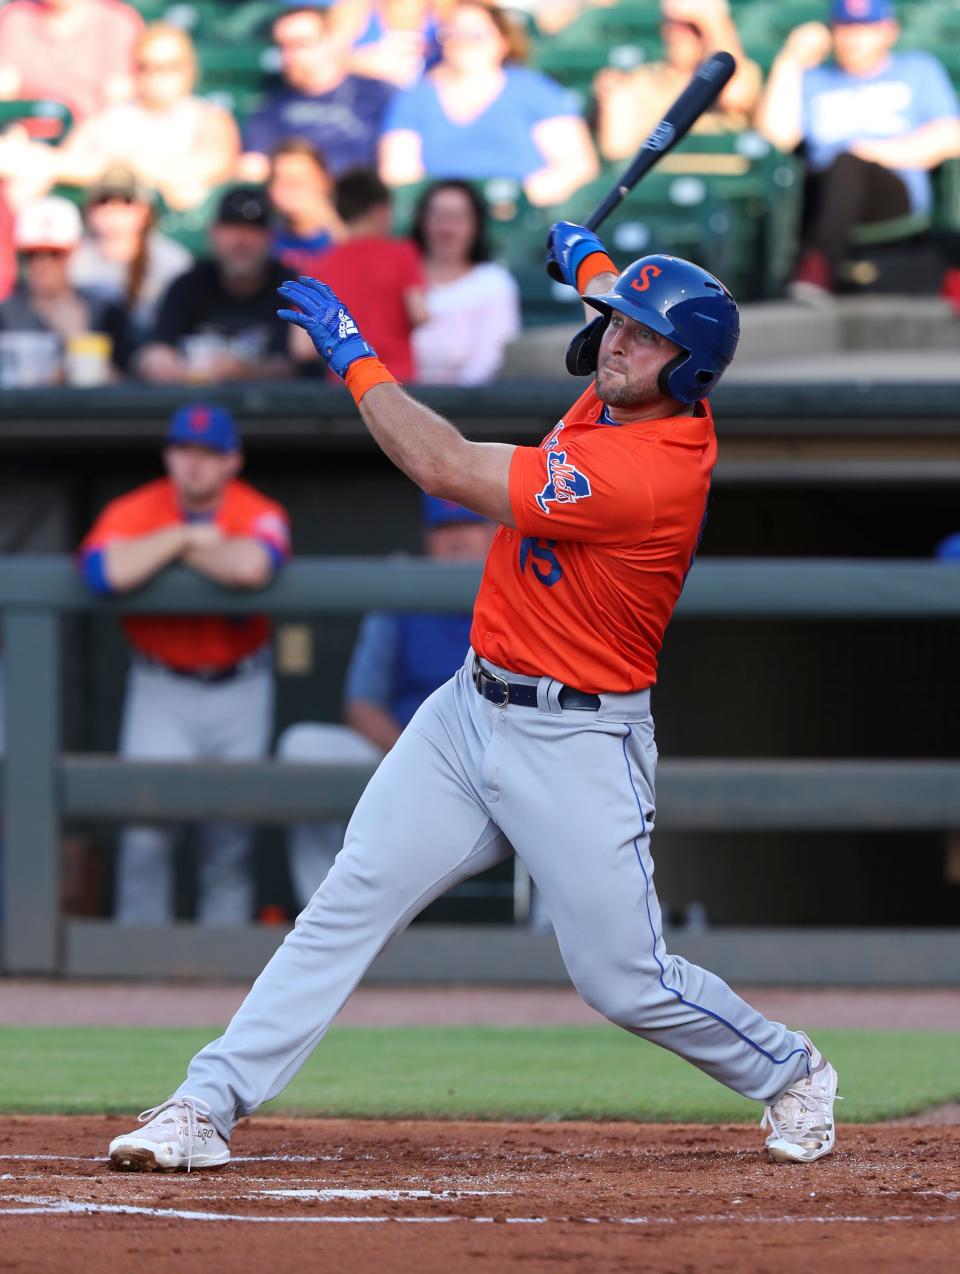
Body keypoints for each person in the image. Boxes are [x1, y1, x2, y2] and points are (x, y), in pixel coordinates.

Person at [106, 223, 839, 1172]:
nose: (618, 343)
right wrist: (588, 264)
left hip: (577, 741)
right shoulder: (625, 389)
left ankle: (792, 1070)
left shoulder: (645, 474)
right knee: (345, 903)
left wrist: (357, 361)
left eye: (646, 337)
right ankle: (204, 1105)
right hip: (467, 709)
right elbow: (615, 298)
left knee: (622, 981)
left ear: (690, 370)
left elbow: (444, 467)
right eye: (616, 326)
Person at [77, 403, 291, 926]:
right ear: (168, 455)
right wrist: (186, 537)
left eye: (208, 453)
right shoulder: (137, 509)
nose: (194, 464)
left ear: (231, 460)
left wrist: (165, 552)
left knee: (229, 841)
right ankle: (137, 971)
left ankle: (222, 978)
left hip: (240, 686)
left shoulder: (256, 509)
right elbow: (102, 573)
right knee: (145, 833)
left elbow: (251, 566)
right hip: (161, 686)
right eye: (184, 450)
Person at [278, 494, 495, 907]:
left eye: (466, 526)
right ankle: (329, 916)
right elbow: (361, 706)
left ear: (492, 533)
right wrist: (418, 760)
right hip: (405, 756)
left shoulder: (518, 595)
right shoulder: (402, 592)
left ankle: (547, 937)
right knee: (302, 747)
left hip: (495, 765)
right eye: (444, 530)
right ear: (427, 540)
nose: (456, 541)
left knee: (564, 778)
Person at [756, 0, 960, 299]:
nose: (853, 38)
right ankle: (818, 265)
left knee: (848, 162)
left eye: (865, 28)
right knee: (838, 167)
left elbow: (950, 136)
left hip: (892, 190)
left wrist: (870, 152)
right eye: (845, 27)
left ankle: (818, 266)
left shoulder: (917, 69)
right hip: (823, 192)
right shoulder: (815, 78)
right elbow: (776, 136)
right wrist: (791, 59)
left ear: (889, 31)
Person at [379, 0, 598, 206]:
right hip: (444, 220)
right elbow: (399, 175)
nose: (464, 42)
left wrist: (528, 195)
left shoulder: (535, 92)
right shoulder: (416, 99)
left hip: (522, 217)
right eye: (452, 34)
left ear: (502, 40)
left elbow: (577, 165)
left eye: (476, 35)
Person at [42, 23, 240, 214]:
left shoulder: (209, 118)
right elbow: (65, 163)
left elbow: (217, 163)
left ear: (189, 69)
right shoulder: (110, 117)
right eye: (148, 66)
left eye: (171, 66)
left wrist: (126, 166)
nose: (158, 76)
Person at [136, 187, 296, 385]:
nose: (241, 240)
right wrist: (154, 360)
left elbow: (298, 365)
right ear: (212, 233)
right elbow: (156, 349)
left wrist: (244, 372)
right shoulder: (187, 286)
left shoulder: (293, 289)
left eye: (253, 229)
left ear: (270, 237)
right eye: (231, 227)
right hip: (195, 407)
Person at [239, 6, 394, 185]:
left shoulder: (379, 95)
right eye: (282, 46)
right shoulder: (270, 109)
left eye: (301, 43)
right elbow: (254, 168)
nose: (290, 56)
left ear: (330, 40)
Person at [297, 168, 426, 381]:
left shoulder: (318, 266)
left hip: (346, 387)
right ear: (380, 210)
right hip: (398, 382)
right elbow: (419, 313)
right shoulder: (402, 254)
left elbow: (302, 347)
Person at [594, 0, 762, 162]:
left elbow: (735, 96)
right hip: (658, 183)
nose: (677, 34)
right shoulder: (643, 79)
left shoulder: (744, 72)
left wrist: (711, 19)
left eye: (690, 27)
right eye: (671, 24)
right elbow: (616, 149)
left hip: (723, 183)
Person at [0, 195, 130, 383]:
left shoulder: (105, 309)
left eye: (55, 254)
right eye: (32, 255)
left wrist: (79, 339)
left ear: (74, 252)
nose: (42, 265)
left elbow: (124, 388)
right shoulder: (5, 313)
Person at [410, 178, 520, 384]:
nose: (447, 228)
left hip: (466, 409)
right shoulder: (398, 275)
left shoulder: (494, 282)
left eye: (458, 217)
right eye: (438, 216)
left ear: (475, 225)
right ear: (422, 221)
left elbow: (488, 362)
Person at [69, 167, 193, 346]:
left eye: (126, 201)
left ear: (144, 209)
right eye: (103, 201)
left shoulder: (173, 260)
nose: (113, 209)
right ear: (89, 209)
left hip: (158, 354)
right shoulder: (74, 259)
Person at [0, 0, 143, 125]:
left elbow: (116, 101)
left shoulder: (117, 23)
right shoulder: (17, 18)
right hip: (22, 139)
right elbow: (6, 89)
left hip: (90, 140)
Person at [268, 139, 343, 278]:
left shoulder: (341, 238)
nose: (292, 188)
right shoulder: (263, 240)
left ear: (325, 181)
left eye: (301, 180)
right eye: (282, 179)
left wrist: (333, 224)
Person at [331, 0, 445, 90]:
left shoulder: (442, 15)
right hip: (361, 106)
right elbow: (325, 57)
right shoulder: (358, 7)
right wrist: (360, 63)